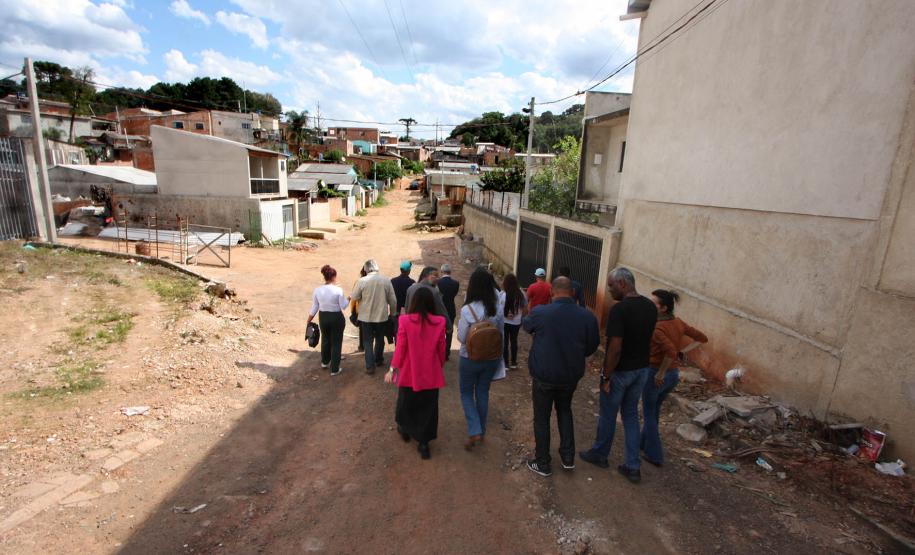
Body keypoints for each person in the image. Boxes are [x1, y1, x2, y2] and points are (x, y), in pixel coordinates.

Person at [580, 267, 657, 484]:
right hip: (641, 369)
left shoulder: (620, 310)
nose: (610, 290)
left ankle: (600, 454)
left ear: (623, 283)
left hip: (621, 372)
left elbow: (615, 348)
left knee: (608, 414)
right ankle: (633, 466)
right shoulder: (650, 307)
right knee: (631, 415)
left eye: (612, 286)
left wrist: (606, 375)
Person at [523, 277, 600, 477]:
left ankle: (543, 463)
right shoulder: (587, 317)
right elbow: (591, 346)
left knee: (542, 418)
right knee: (565, 411)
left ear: (551, 292)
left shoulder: (541, 313)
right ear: (573, 293)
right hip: (570, 376)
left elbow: (526, 326)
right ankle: (567, 458)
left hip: (544, 375)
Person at [641, 289, 708, 466]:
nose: (649, 305)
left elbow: (670, 351)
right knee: (653, 409)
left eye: (653, 303)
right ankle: (643, 442)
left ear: (663, 308)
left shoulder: (657, 327)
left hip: (656, 373)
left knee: (648, 413)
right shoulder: (677, 322)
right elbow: (702, 338)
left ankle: (654, 454)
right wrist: (682, 352)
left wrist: (660, 373)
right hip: (673, 375)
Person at [388, 287, 447, 460]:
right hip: (431, 372)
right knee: (428, 408)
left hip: (409, 371)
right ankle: (423, 444)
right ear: (431, 304)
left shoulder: (405, 321)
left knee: (406, 402)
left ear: (413, 303)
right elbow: (441, 350)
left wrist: (393, 367)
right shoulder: (440, 322)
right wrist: (438, 365)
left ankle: (405, 429)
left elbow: (401, 348)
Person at [456, 268, 504, 450]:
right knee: (483, 392)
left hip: (470, 358)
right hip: (491, 358)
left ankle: (474, 429)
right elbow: (500, 334)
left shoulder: (467, 310)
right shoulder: (497, 309)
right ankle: (481, 431)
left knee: (466, 393)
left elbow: (461, 337)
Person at [350, 259, 397, 374]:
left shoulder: (361, 281)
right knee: (380, 339)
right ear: (377, 268)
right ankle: (378, 359)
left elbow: (354, 297)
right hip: (381, 317)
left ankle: (370, 366)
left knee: (367, 341)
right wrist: (392, 314)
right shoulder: (386, 281)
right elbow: (393, 300)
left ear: (366, 269)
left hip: (366, 317)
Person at [306, 265, 349, 376]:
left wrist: (309, 319)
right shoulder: (338, 290)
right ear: (334, 277)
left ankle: (325, 362)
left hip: (323, 317)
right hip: (336, 317)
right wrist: (349, 299)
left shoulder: (317, 290)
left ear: (324, 277)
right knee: (336, 342)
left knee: (325, 339)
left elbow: (315, 306)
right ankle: (334, 369)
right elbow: (343, 306)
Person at [499, 273, 528, 369]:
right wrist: (520, 317)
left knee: (505, 342)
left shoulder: (502, 294)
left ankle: (506, 363)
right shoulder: (521, 293)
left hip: (504, 321)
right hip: (516, 322)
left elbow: (499, 309)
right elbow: (525, 309)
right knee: (514, 341)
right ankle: (514, 362)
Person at [437, 264, 460, 360]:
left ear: (442, 272)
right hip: (450, 308)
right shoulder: (456, 283)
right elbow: (454, 295)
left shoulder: (437, 282)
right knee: (449, 332)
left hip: (440, 310)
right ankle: (446, 353)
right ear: (450, 272)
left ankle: (439, 352)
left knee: (439, 331)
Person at [351, 268, 367, 352]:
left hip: (360, 310)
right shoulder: (375, 281)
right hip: (372, 309)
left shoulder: (358, 282)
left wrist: (352, 310)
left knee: (362, 328)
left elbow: (353, 297)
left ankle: (362, 346)